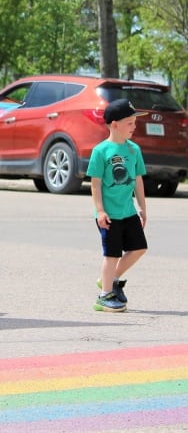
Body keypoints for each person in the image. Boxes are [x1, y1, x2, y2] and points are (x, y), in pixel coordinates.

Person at [87, 98, 148, 312]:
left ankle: (110, 279)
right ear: (115, 124)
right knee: (111, 254)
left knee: (139, 248)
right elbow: (95, 184)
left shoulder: (134, 150)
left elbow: (138, 180)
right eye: (129, 123)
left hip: (128, 211)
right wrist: (100, 211)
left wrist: (142, 207)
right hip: (109, 213)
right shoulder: (101, 151)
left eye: (134, 122)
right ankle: (104, 296)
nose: (134, 127)